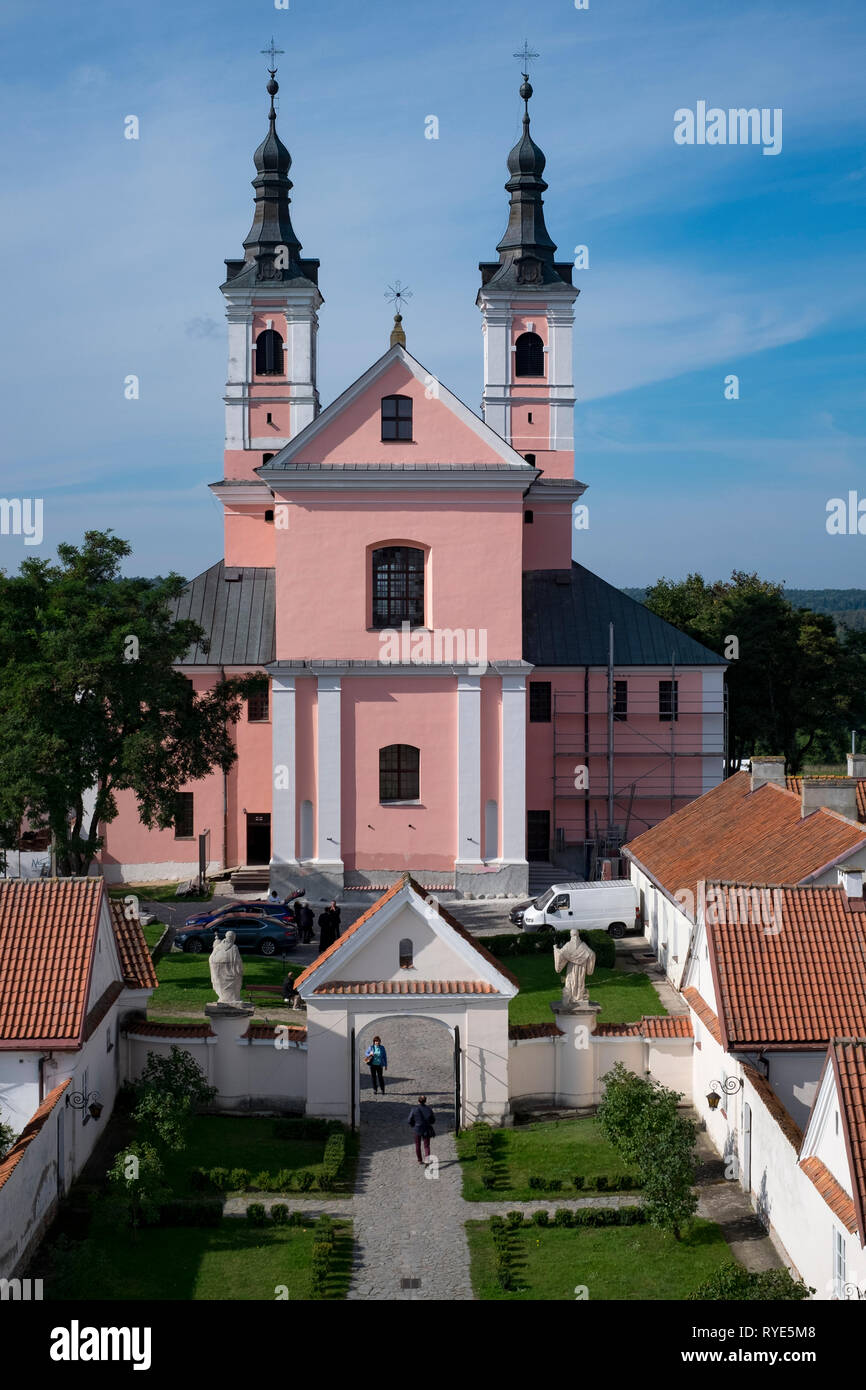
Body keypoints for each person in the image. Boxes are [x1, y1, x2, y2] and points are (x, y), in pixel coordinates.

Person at [408, 1094, 436, 1165]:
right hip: (426, 1129)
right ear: (425, 1101)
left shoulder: (414, 1109)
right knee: (426, 1146)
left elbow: (409, 1120)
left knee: (417, 1145)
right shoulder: (429, 1109)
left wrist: (413, 1126)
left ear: (418, 1101)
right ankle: (427, 1160)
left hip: (417, 1129)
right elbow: (433, 1120)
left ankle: (420, 1160)